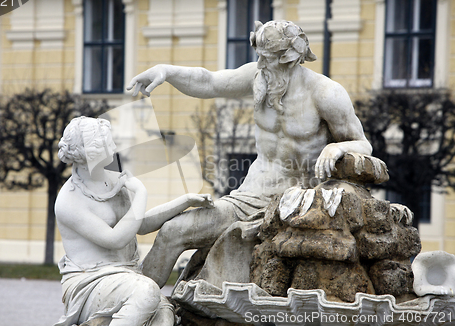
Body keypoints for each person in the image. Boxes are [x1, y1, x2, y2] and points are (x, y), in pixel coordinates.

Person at [127, 20, 373, 288]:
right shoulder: (258, 77)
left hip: (298, 203)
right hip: (249, 197)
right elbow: (209, 82)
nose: (260, 65)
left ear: (289, 58)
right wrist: (166, 71)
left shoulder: (326, 93)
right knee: (173, 231)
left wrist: (337, 146)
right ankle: (139, 301)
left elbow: (363, 144)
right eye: (259, 57)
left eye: (267, 59)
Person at [54, 117, 213, 326]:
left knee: (164, 313)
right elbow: (115, 239)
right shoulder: (68, 201)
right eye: (108, 143)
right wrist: (141, 193)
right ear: (90, 153)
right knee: (147, 291)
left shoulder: (112, 179)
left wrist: (185, 201)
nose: (114, 146)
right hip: (90, 283)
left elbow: (140, 223)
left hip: (126, 276)